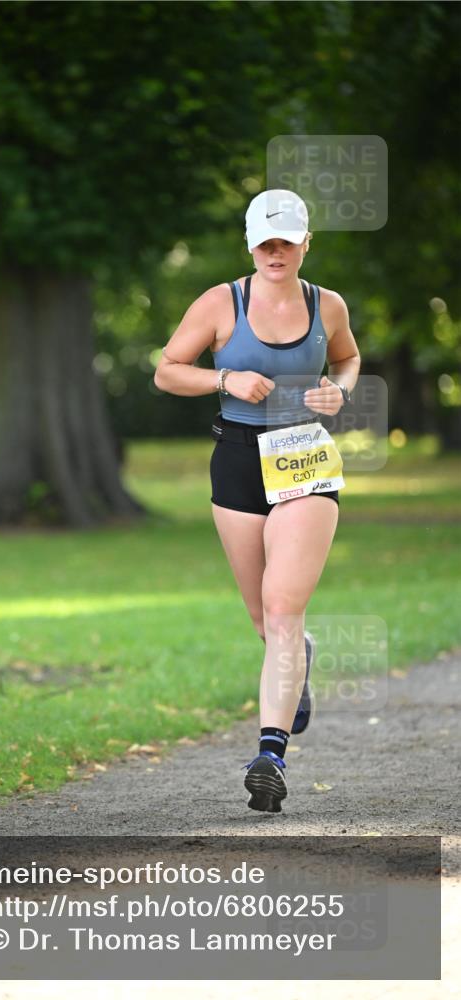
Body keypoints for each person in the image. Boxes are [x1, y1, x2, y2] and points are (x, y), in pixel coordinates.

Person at [154, 189, 361, 813]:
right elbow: (167, 370)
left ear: (305, 243)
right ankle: (298, 661)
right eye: (266, 242)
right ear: (251, 244)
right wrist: (224, 379)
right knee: (261, 617)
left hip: (304, 454)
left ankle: (270, 755)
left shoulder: (327, 305)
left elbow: (348, 360)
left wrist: (338, 392)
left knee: (281, 608)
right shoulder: (223, 302)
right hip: (238, 459)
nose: (276, 252)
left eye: (287, 241)